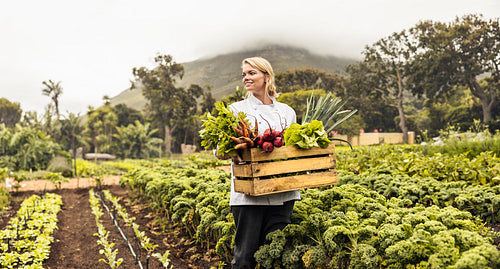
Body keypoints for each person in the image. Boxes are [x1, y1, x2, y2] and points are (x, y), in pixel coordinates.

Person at [217, 57, 300, 268]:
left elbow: (292, 148)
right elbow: (218, 151)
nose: (246, 78)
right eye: (244, 74)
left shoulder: (287, 111)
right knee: (245, 258)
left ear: (266, 76)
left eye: (251, 73)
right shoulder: (236, 110)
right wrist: (233, 152)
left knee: (271, 258)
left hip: (284, 192)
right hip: (249, 195)